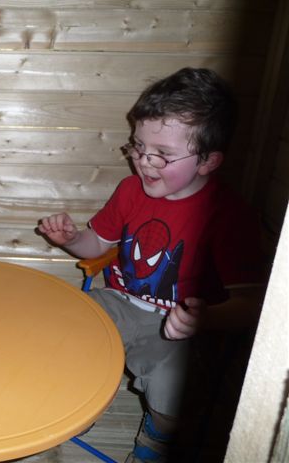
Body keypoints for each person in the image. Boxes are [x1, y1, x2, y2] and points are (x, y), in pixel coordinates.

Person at [37, 68, 265, 462]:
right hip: (120, 301)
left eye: (162, 154)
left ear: (209, 160)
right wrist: (71, 240)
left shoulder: (228, 214)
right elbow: (97, 246)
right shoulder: (129, 191)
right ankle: (79, 404)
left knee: (173, 384)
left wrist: (205, 318)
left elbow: (250, 304)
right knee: (63, 327)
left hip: (180, 326)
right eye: (138, 147)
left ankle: (159, 434)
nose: (144, 162)